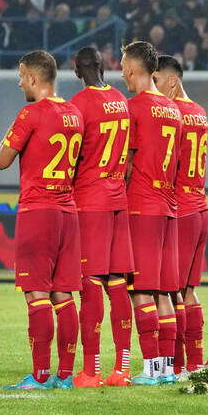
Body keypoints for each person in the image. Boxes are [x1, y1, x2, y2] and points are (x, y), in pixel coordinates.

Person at [0, 51, 84, 390]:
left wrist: (15, 125)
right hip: (68, 211)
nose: (19, 82)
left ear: (33, 77)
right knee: (64, 295)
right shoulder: (75, 113)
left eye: (21, 76)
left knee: (36, 294)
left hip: (38, 210)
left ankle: (40, 375)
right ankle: (65, 375)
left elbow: (2, 160)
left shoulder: (30, 113)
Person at [68, 46, 134, 388]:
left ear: (78, 70)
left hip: (90, 201)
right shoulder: (121, 100)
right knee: (118, 283)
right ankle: (122, 368)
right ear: (104, 66)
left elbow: (73, 156)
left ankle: (91, 370)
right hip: (117, 200)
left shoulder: (78, 104)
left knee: (90, 284)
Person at [121, 41, 183, 386]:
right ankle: (168, 367)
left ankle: (151, 368)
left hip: (142, 207)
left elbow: (127, 162)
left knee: (140, 289)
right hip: (169, 207)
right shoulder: (172, 109)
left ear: (132, 70)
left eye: (122, 69)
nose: (122, 75)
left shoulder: (134, 108)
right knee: (163, 291)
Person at [153, 55, 208, 378]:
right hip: (201, 205)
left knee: (170, 290)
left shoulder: (174, 114)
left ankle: (174, 365)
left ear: (172, 80)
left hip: (181, 208)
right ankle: (193, 362)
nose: (156, 89)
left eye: (158, 81)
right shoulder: (200, 113)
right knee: (187, 290)